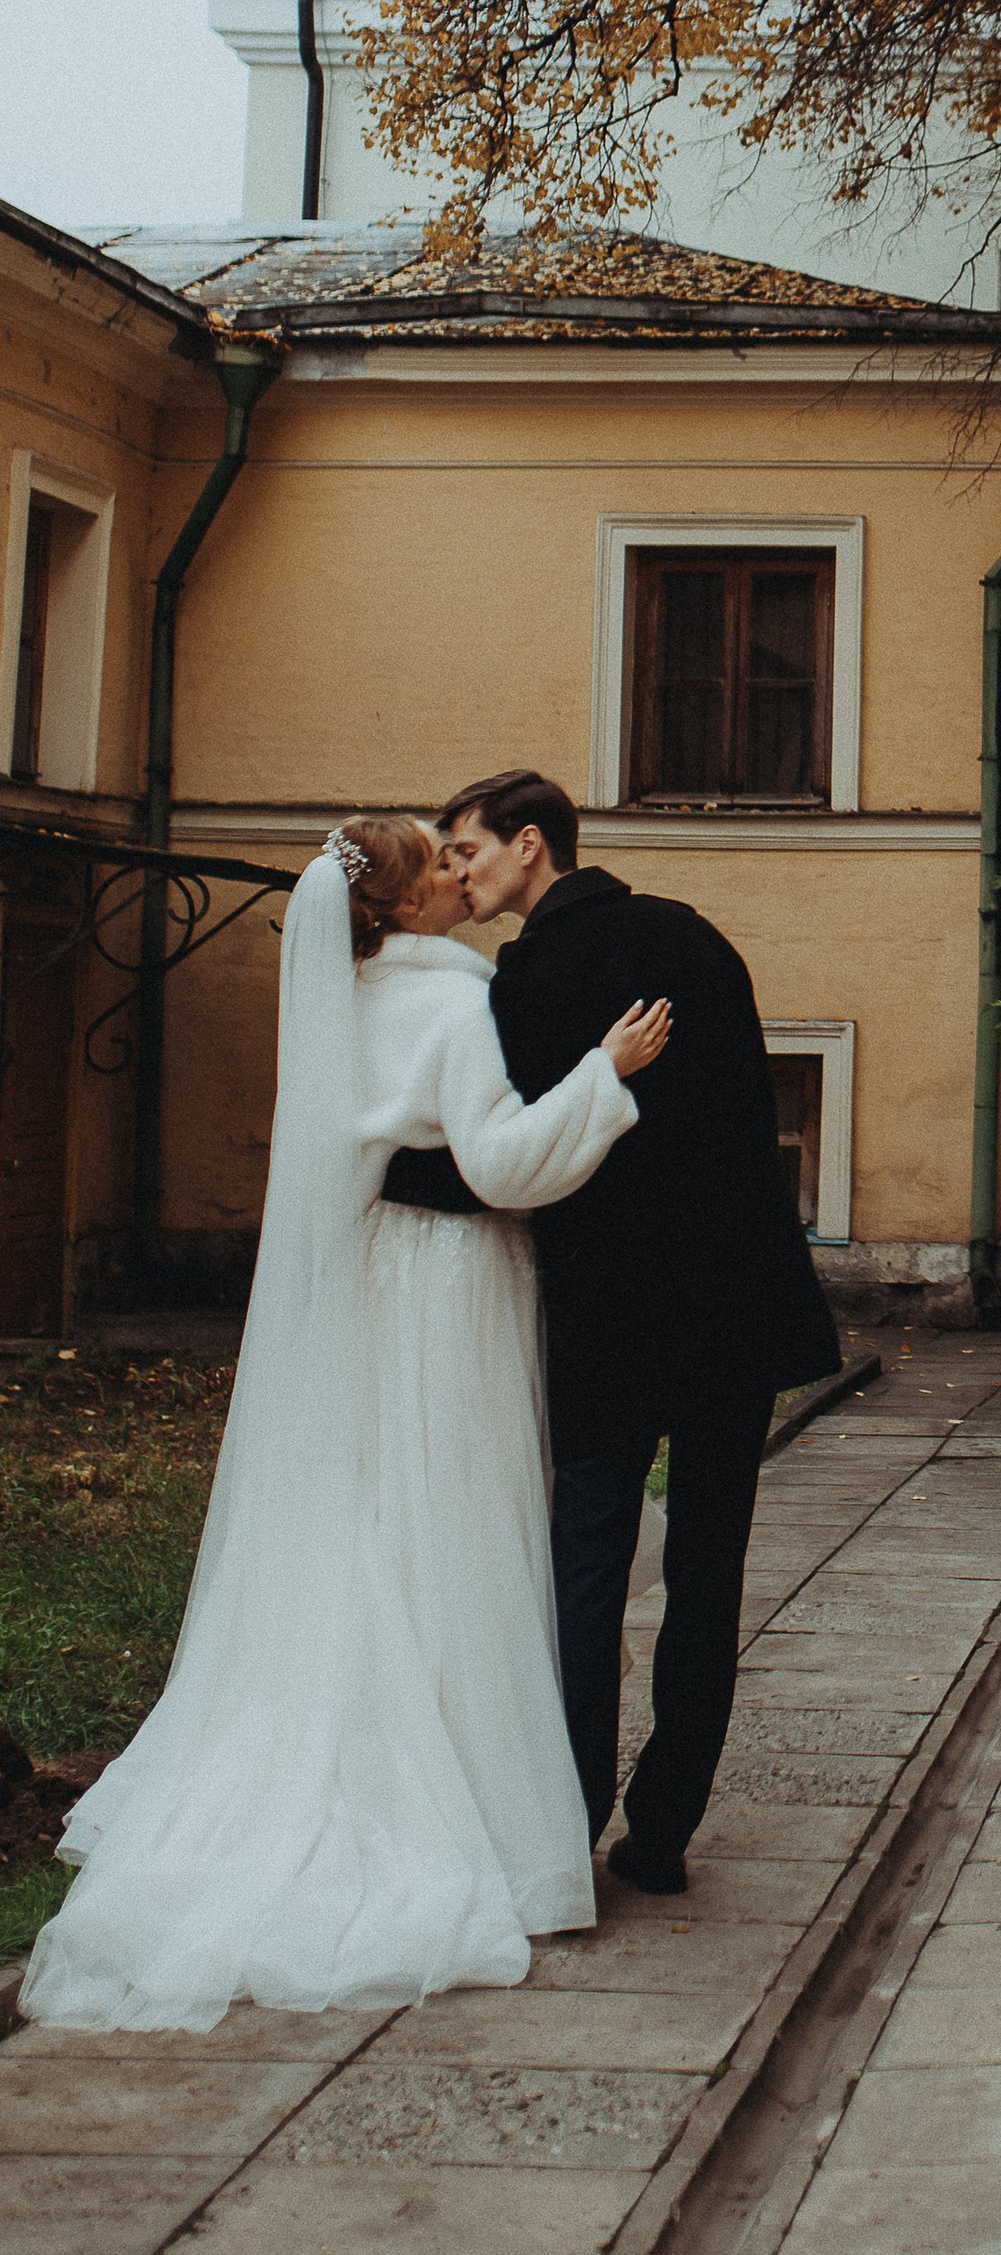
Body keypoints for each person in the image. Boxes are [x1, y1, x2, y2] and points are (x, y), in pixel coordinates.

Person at [21, 818, 672, 2033]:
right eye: (438, 864)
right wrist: (603, 1076)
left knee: (372, 1506)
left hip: (369, 1283)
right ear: (405, 908)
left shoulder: (338, 1002)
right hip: (453, 1284)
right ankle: (479, 1807)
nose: (457, 876)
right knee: (455, 1521)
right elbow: (502, 1165)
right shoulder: (446, 1006)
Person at [440, 769, 843, 1896]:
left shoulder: (525, 977)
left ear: (532, 845)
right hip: (732, 1306)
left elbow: (515, 1153)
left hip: (609, 1311)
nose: (457, 869)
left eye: (467, 846)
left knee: (589, 1566)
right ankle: (663, 1828)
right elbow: (746, 1114)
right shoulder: (693, 936)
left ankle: (563, 1823)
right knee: (709, 1571)